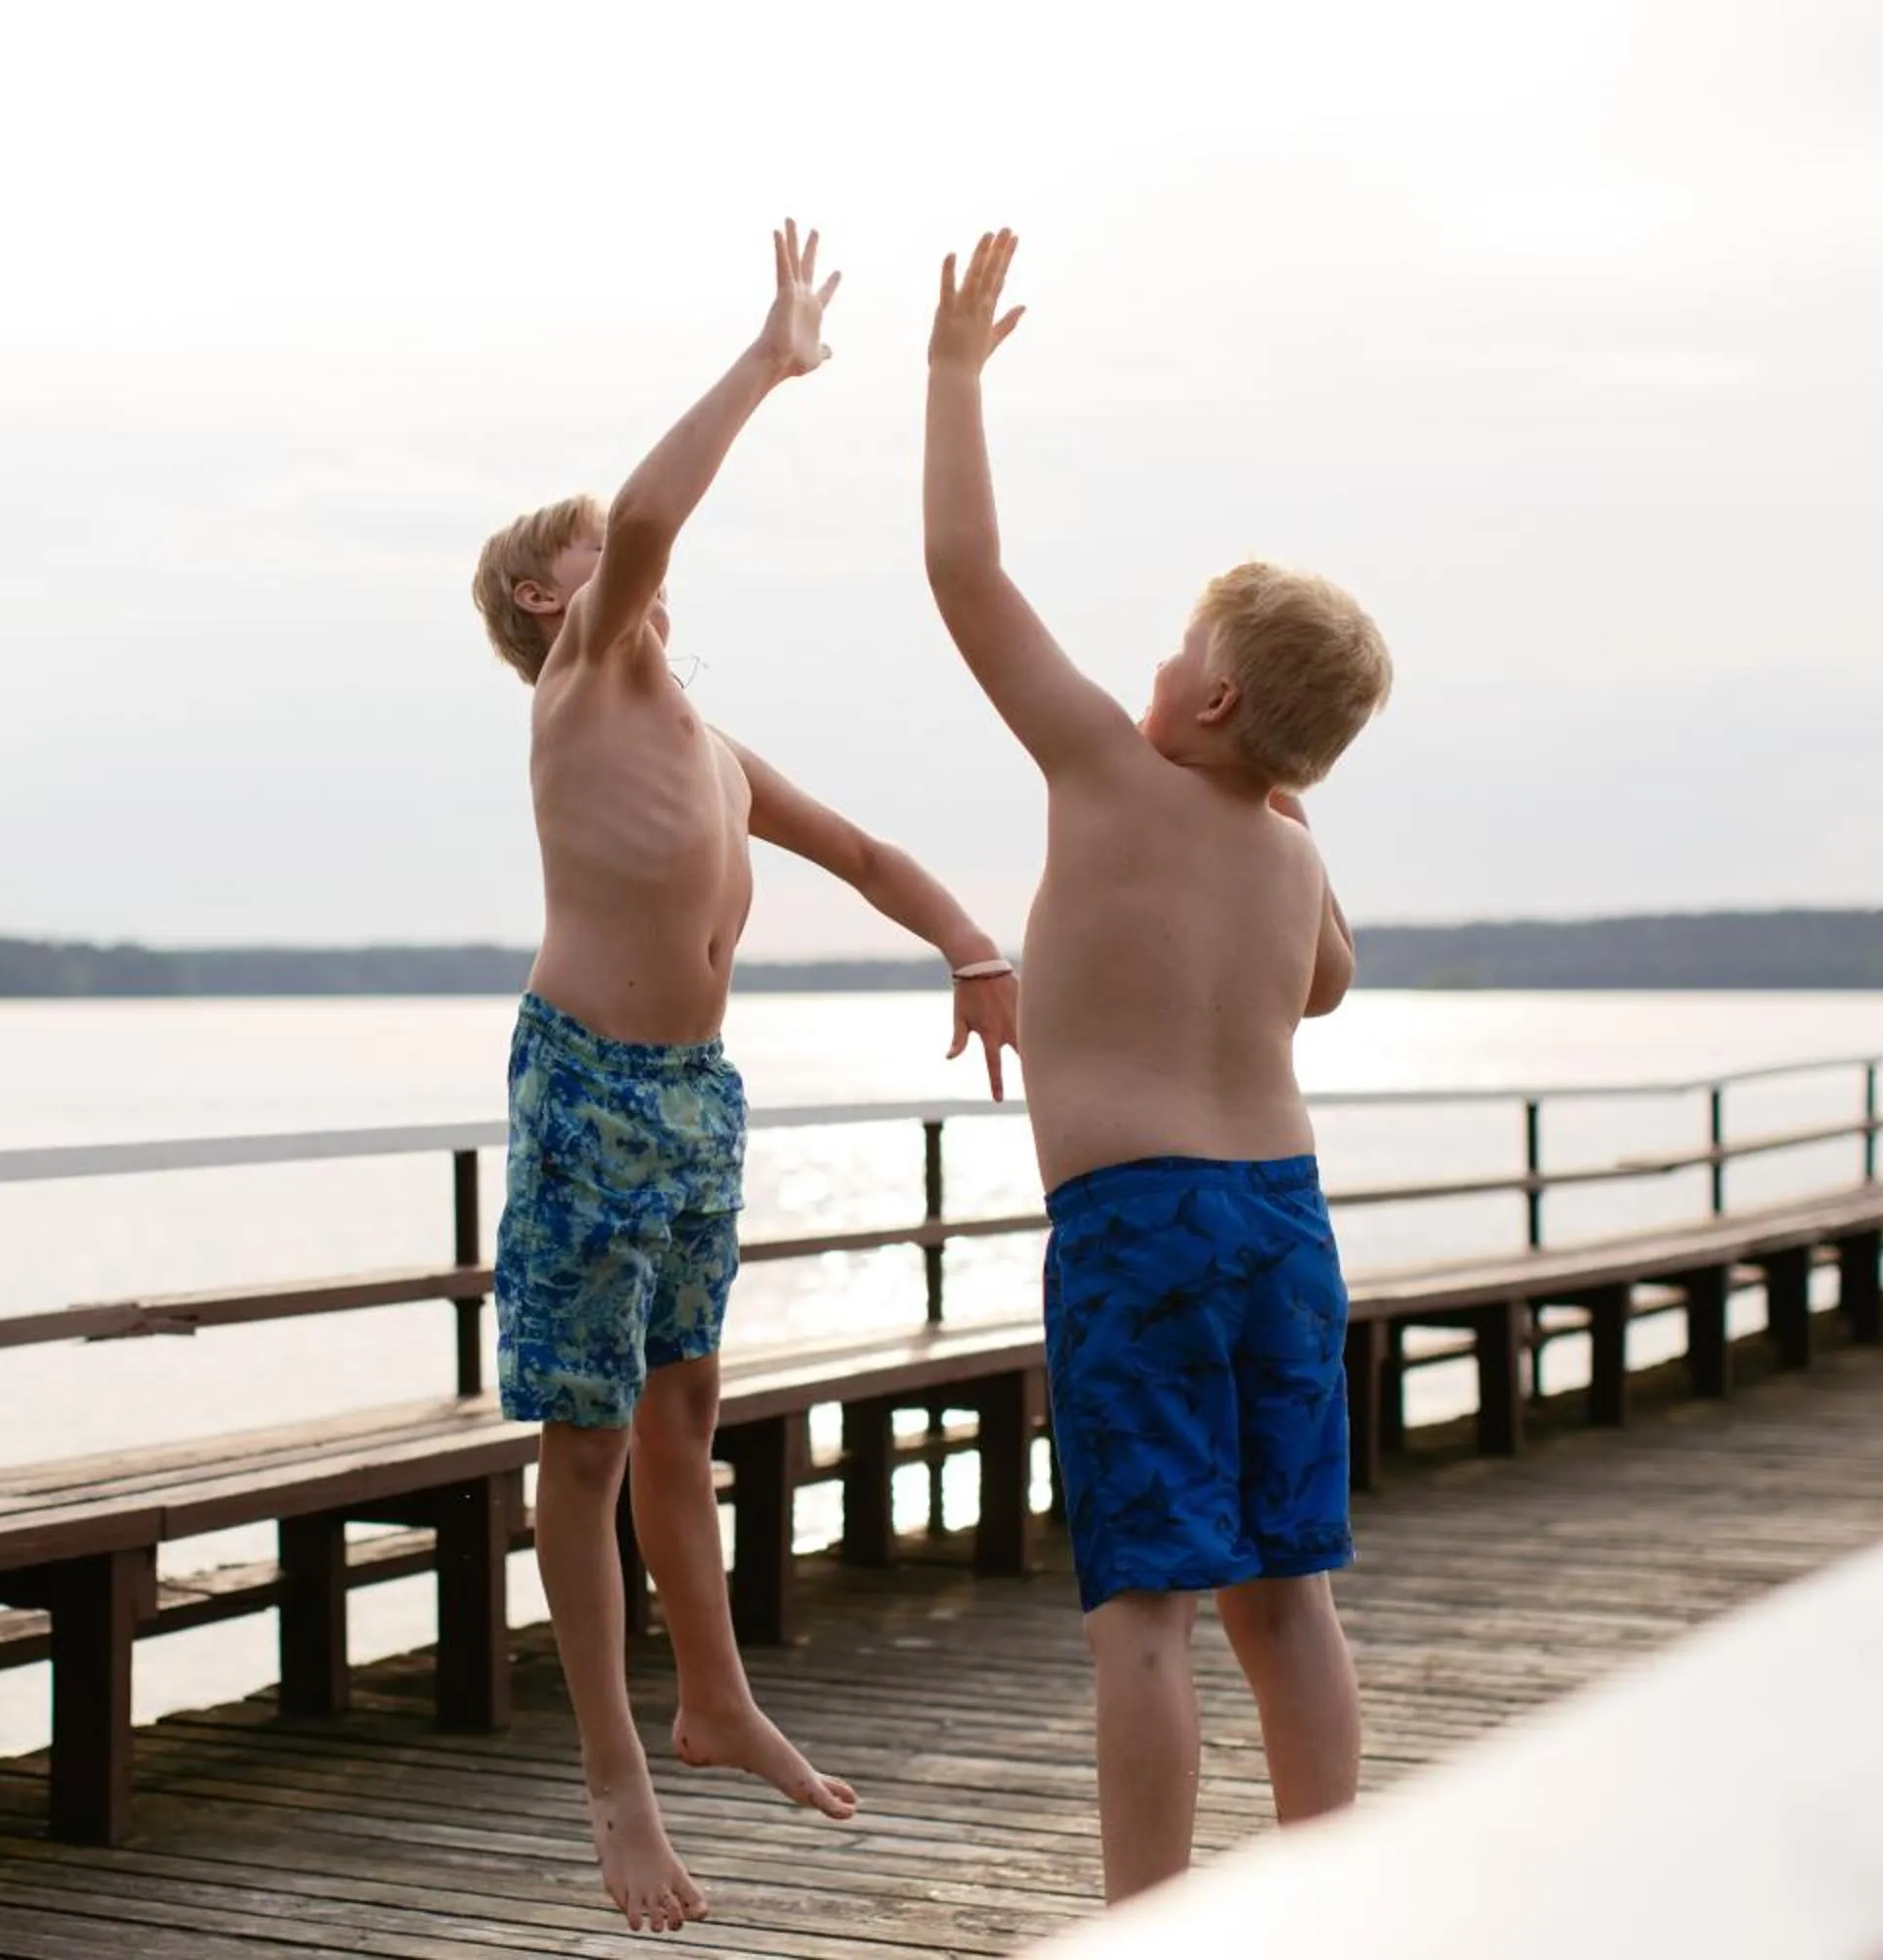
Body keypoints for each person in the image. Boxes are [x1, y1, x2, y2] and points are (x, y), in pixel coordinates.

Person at [469, 220, 1022, 1933]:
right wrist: (770, 362)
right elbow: (647, 516)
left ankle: (712, 1700)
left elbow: (856, 846)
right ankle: (618, 1784)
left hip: (700, 1102)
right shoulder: (574, 682)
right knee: (580, 1446)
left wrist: (974, 950)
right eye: (590, 551)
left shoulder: (700, 736)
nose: (629, 561)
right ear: (549, 599)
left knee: (682, 1417)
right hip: (588, 1092)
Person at [917, 227, 1392, 1902]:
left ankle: (1152, 1928)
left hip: (1140, 1227)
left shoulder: (1111, 775)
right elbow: (1325, 991)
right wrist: (1292, 799)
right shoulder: (1288, 850)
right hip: (1287, 1222)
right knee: (1290, 1591)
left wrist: (955, 377)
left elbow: (968, 580)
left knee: (1149, 1608)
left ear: (1214, 694)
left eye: (1182, 644)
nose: (1154, 663)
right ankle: (1329, 1903)